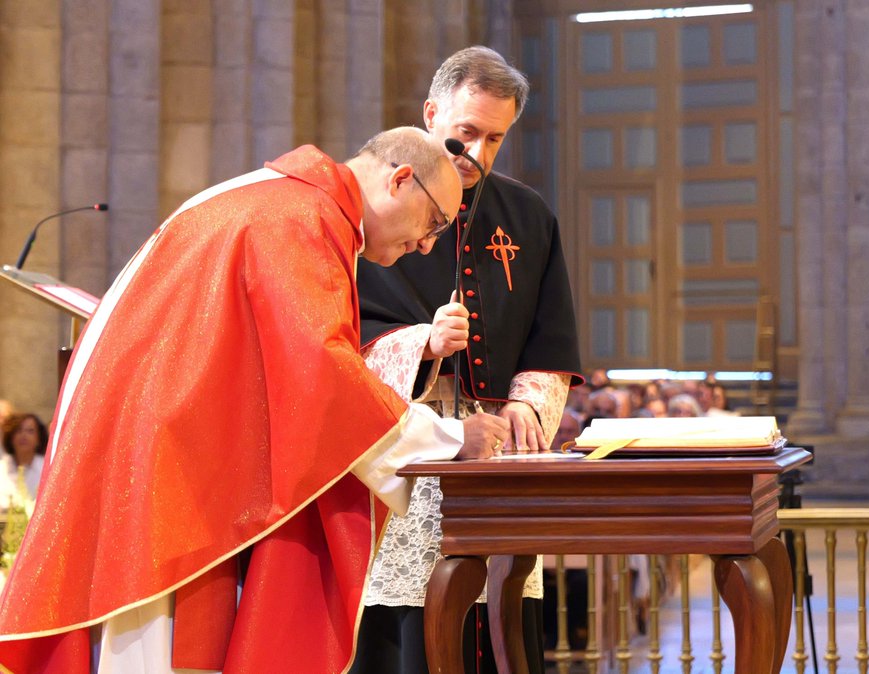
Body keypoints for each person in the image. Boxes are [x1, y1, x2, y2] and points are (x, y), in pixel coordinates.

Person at [0, 128, 515, 674]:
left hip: (157, 448)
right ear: (400, 179)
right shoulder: (302, 218)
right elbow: (323, 379)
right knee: (161, 650)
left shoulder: (274, 198)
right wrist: (452, 438)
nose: (428, 244)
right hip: (173, 472)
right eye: (433, 223)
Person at [354, 46, 582, 674]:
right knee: (409, 637)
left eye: (495, 139)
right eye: (466, 134)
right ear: (431, 114)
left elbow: (551, 340)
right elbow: (342, 348)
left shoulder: (529, 216)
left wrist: (525, 409)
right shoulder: (377, 214)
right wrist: (421, 345)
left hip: (501, 466)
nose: (478, 155)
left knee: (502, 628)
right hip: (409, 468)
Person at [0, 414, 47, 502]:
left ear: (39, 438)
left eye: (30, 431)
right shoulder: (2, 468)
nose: (24, 435)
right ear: (10, 437)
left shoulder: (48, 469)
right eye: (18, 430)